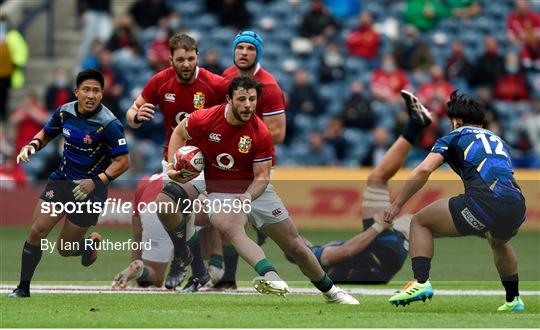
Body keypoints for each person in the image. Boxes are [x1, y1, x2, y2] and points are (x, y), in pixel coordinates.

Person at [168, 76, 358, 304]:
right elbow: (179, 133)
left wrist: (248, 196)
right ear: (228, 99)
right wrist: (172, 165)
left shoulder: (260, 132)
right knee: (231, 226)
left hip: (255, 189)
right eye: (242, 99)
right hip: (220, 189)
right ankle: (271, 276)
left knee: (295, 245)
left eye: (252, 99)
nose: (248, 105)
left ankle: (331, 292)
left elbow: (262, 177)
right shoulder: (205, 118)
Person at [384, 91, 527, 312]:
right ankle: (513, 300)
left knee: (420, 222)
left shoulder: (455, 135)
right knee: (498, 241)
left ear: (455, 121)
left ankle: (420, 282)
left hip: (484, 202)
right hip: (517, 205)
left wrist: (397, 204)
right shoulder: (498, 140)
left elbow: (424, 169)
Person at [287, 90, 433, 284]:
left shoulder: (316, 269)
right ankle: (416, 123)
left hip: (386, 261)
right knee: (377, 178)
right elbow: (349, 251)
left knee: (416, 221)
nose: (301, 238)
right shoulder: (315, 256)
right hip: (382, 253)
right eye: (298, 241)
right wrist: (378, 226)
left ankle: (474, 222)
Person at [8, 69, 130, 298]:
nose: (91, 95)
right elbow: (46, 133)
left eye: (96, 90)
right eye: (86, 90)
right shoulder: (64, 112)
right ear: (77, 92)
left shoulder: (109, 124)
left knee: (65, 249)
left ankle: (88, 246)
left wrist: (95, 182)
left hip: (90, 191)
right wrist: (31, 146)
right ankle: (23, 287)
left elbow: (123, 162)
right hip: (63, 181)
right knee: (37, 231)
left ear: (102, 94)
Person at [125, 33, 228, 291]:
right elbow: (130, 112)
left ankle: (198, 261)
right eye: (180, 59)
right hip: (173, 161)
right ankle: (192, 261)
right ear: (170, 59)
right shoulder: (160, 81)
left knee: (201, 210)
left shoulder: (215, 84)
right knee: (170, 213)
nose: (186, 64)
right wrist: (137, 116)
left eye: (191, 58)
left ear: (197, 57)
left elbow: (235, 116)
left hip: (206, 164)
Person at [212, 31, 287, 290]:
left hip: (257, 165)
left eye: (250, 49)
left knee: (285, 237)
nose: (244, 52)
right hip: (227, 163)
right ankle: (228, 278)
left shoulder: (270, 86)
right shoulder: (225, 78)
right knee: (227, 222)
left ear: (258, 53)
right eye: (240, 48)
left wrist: (242, 139)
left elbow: (278, 132)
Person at [111, 172, 198, 290]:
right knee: (207, 225)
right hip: (172, 209)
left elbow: (138, 235)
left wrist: (136, 262)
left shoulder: (146, 180)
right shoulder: (193, 176)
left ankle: (140, 270)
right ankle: (213, 268)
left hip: (150, 211)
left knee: (154, 276)